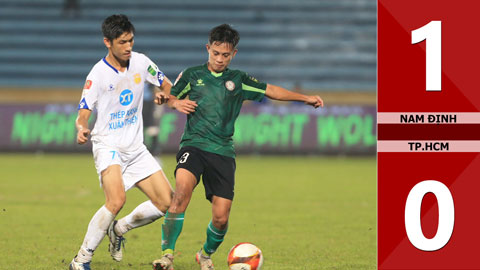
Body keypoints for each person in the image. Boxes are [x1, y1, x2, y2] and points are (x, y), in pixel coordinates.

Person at [153, 24, 323, 270]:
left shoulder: (239, 80)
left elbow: (271, 90)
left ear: (234, 54)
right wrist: (171, 101)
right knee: (181, 192)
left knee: (221, 218)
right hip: (194, 145)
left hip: (222, 151)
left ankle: (205, 254)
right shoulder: (191, 74)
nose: (219, 59)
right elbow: (169, 96)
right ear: (208, 49)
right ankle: (166, 255)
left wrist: (304, 98)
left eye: (225, 55)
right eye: (215, 53)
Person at [69, 14, 173, 270]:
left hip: (136, 148)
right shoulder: (98, 74)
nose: (129, 47)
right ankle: (81, 260)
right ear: (108, 42)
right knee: (116, 200)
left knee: (166, 202)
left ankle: (120, 228)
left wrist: (164, 95)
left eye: (131, 41)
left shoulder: (141, 62)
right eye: (123, 42)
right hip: (108, 146)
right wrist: (82, 128)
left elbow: (166, 84)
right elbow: (83, 112)